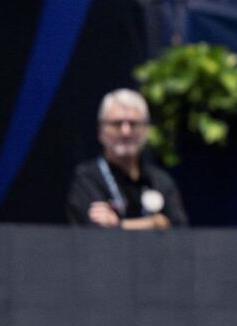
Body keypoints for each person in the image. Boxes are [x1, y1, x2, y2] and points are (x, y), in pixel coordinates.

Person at [66, 89, 188, 229]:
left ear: (146, 130)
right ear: (100, 131)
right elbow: (94, 230)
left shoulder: (160, 181)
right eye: (117, 124)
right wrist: (155, 223)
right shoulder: (87, 178)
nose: (126, 132)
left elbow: (179, 230)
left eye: (133, 123)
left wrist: (118, 225)